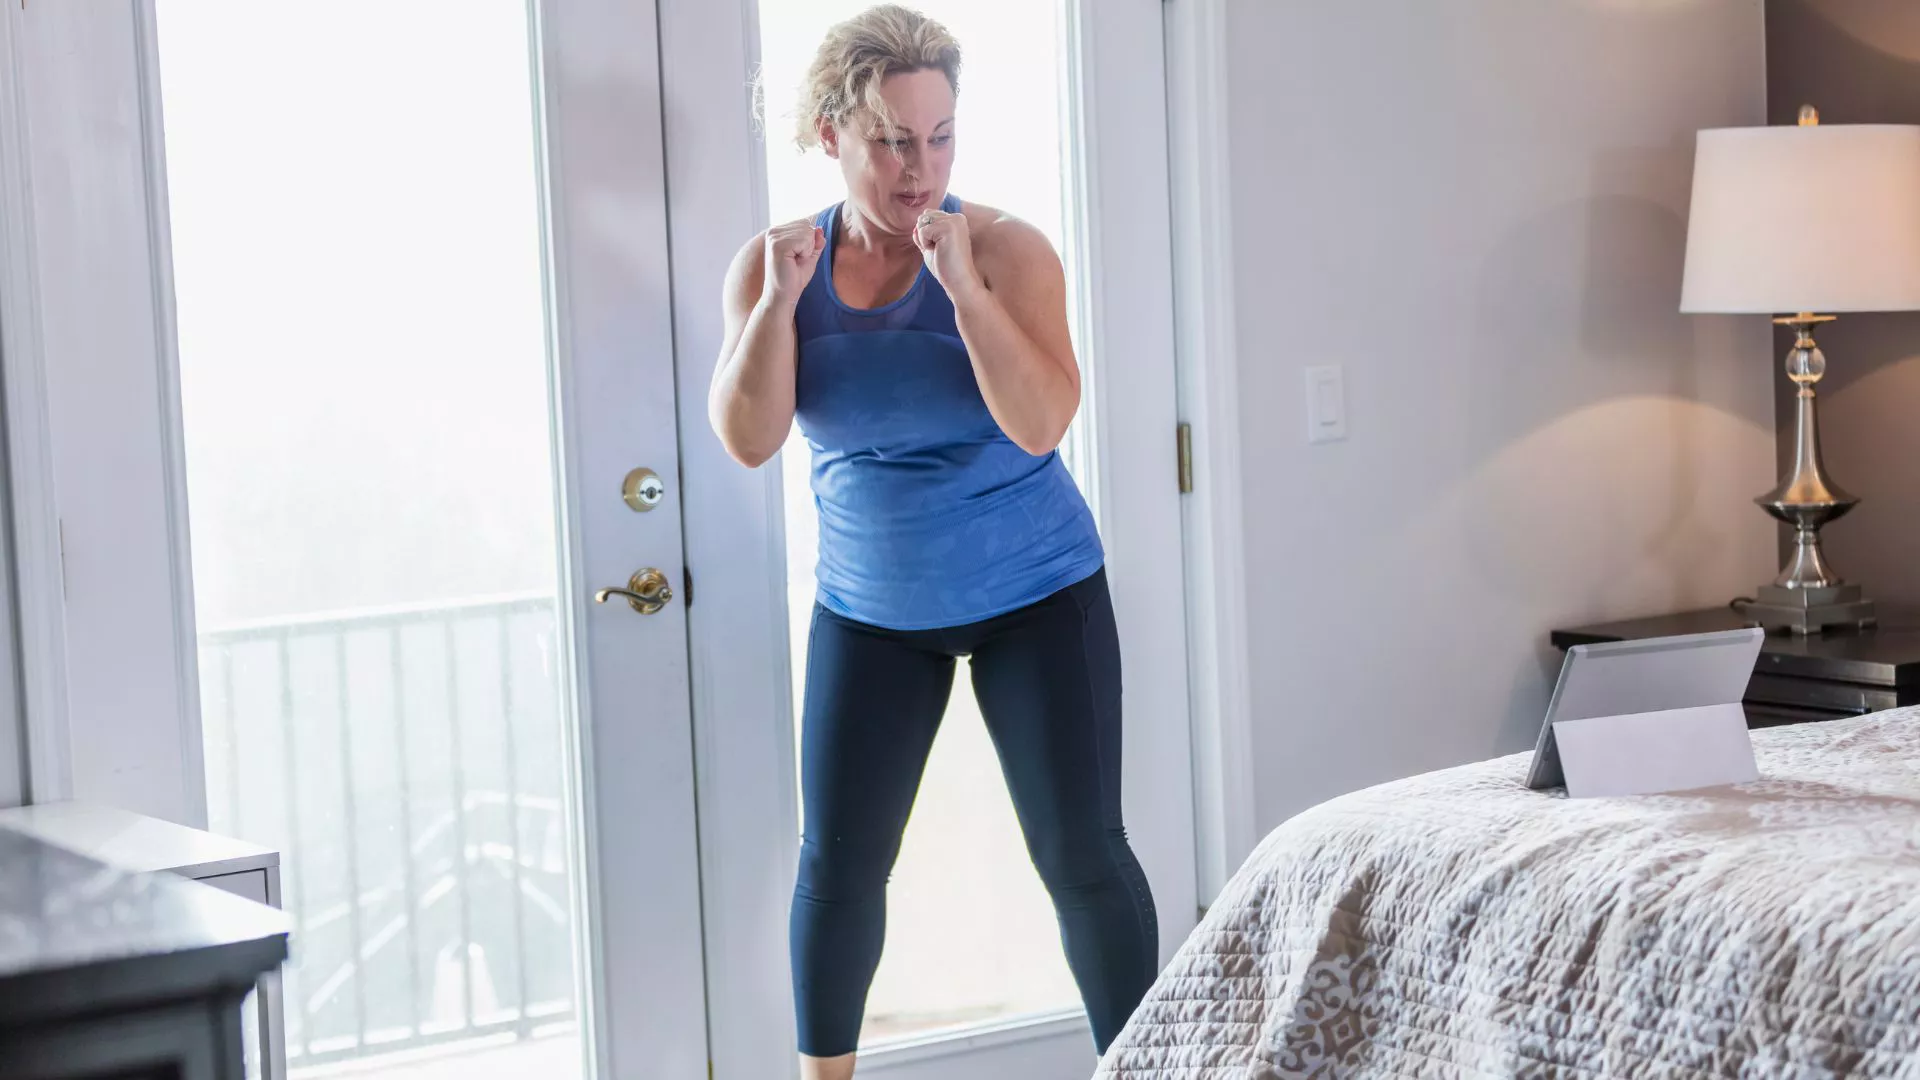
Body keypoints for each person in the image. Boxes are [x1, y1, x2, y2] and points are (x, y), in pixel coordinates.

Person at [706, 6, 1157, 1077]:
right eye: (894, 141)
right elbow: (748, 439)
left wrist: (962, 292)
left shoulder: (1003, 250)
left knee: (1082, 858)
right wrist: (778, 305)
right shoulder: (778, 270)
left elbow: (1042, 422)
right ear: (831, 135)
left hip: (1038, 595)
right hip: (872, 610)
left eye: (941, 135)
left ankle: (1150, 1066)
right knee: (842, 869)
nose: (921, 167)